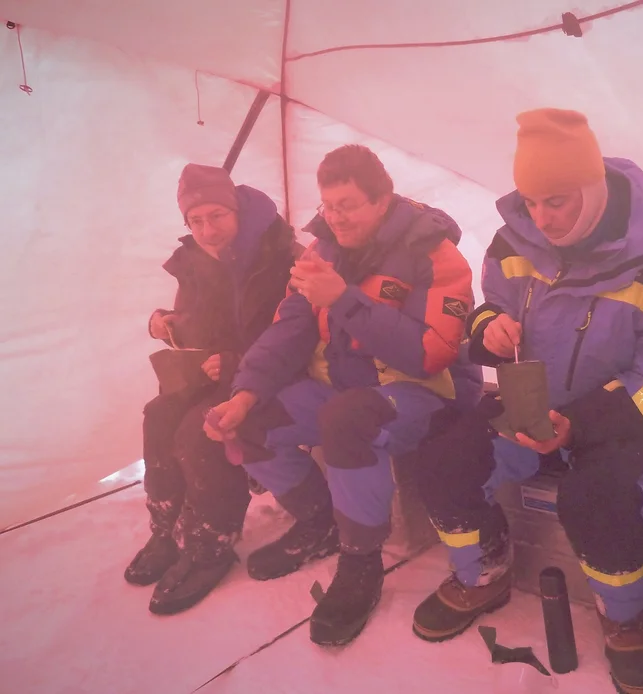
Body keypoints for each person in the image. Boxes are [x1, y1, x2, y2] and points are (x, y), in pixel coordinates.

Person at [410, 108, 643, 694]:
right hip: (531, 404)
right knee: (445, 454)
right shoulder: (511, 237)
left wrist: (579, 424)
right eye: (531, 200)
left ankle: (624, 616)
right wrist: (489, 328)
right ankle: (484, 572)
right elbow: (486, 306)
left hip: (622, 413)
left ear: (592, 190)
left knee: (600, 495)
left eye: (557, 201)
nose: (541, 218)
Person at [203, 144, 482, 646]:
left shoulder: (434, 254)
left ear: (383, 200)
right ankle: (318, 521)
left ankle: (361, 562)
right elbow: (289, 328)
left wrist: (344, 301)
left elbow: (432, 353)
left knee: (349, 420)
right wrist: (243, 393)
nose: (335, 218)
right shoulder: (323, 250)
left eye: (347, 205)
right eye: (328, 206)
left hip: (424, 393)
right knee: (255, 421)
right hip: (349, 387)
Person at [127, 163, 298, 615]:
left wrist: (238, 363)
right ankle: (166, 529)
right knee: (159, 415)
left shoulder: (277, 255)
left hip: (271, 377)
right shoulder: (197, 261)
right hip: (216, 371)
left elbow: (295, 334)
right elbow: (206, 323)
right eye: (196, 220)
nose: (207, 229)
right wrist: (167, 324)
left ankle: (210, 545)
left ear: (237, 210)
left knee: (197, 431)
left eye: (217, 216)